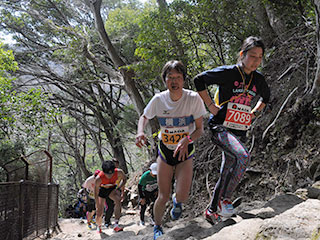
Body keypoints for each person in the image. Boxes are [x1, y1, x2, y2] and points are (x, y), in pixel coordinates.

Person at [193, 36, 270, 223]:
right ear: (242, 54)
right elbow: (199, 80)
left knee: (227, 169)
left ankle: (211, 210)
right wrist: (211, 106)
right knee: (243, 156)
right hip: (220, 127)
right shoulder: (228, 72)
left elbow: (266, 97)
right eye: (252, 56)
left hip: (239, 130)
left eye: (260, 57)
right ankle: (225, 201)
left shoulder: (258, 78)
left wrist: (254, 114)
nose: (256, 61)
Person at [135, 60, 206, 239]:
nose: (174, 81)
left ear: (183, 80)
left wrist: (187, 139)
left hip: (185, 151)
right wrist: (140, 132)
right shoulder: (159, 100)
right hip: (166, 151)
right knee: (162, 196)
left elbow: (200, 129)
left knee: (182, 195)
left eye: (178, 77)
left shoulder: (193, 99)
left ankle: (178, 202)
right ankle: (157, 227)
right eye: (170, 77)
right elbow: (144, 117)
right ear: (165, 80)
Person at [94, 160, 127, 233]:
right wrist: (97, 203)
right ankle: (99, 226)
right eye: (107, 174)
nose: (109, 176)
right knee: (100, 210)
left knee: (118, 201)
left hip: (112, 188)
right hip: (102, 190)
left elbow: (124, 179)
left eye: (111, 173)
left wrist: (120, 188)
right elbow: (95, 192)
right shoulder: (98, 178)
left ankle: (116, 224)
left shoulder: (119, 172)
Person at [104, 158, 125, 227]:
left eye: (116, 165)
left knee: (118, 203)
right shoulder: (106, 172)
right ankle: (107, 221)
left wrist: (122, 190)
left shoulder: (120, 172)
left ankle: (116, 221)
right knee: (110, 206)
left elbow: (124, 180)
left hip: (116, 189)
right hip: (107, 190)